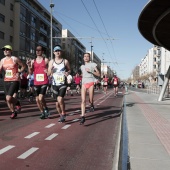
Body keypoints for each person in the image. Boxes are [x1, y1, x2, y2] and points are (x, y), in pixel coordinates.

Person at [0, 45, 26, 119]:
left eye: (7, 49)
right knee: (7, 99)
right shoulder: (2, 60)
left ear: (11, 51)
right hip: (6, 80)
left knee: (8, 98)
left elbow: (23, 66)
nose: (5, 51)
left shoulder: (14, 59)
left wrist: (20, 71)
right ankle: (13, 112)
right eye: (4, 49)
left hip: (14, 80)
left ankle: (17, 103)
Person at [48, 45, 71, 123]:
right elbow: (48, 73)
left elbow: (70, 70)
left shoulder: (65, 61)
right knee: (57, 103)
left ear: (61, 52)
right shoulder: (51, 62)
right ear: (54, 52)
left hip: (62, 83)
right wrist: (50, 71)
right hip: (54, 84)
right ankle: (61, 115)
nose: (58, 52)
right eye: (56, 51)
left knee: (60, 98)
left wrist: (67, 72)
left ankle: (63, 112)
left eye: (59, 51)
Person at [26, 45, 49, 119]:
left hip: (44, 81)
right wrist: (29, 65)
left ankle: (45, 108)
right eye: (37, 50)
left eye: (39, 50)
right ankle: (43, 112)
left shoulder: (46, 60)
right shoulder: (33, 61)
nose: (38, 51)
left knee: (40, 97)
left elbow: (50, 70)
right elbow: (30, 72)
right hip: (36, 82)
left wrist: (48, 71)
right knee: (37, 100)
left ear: (42, 51)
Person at [80, 52, 100, 125]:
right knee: (83, 100)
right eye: (84, 56)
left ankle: (92, 104)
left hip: (91, 82)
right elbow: (83, 74)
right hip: (84, 84)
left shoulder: (93, 64)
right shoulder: (82, 66)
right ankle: (83, 116)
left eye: (87, 56)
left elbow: (98, 74)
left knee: (91, 99)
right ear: (83, 58)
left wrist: (91, 71)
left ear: (89, 58)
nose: (86, 57)